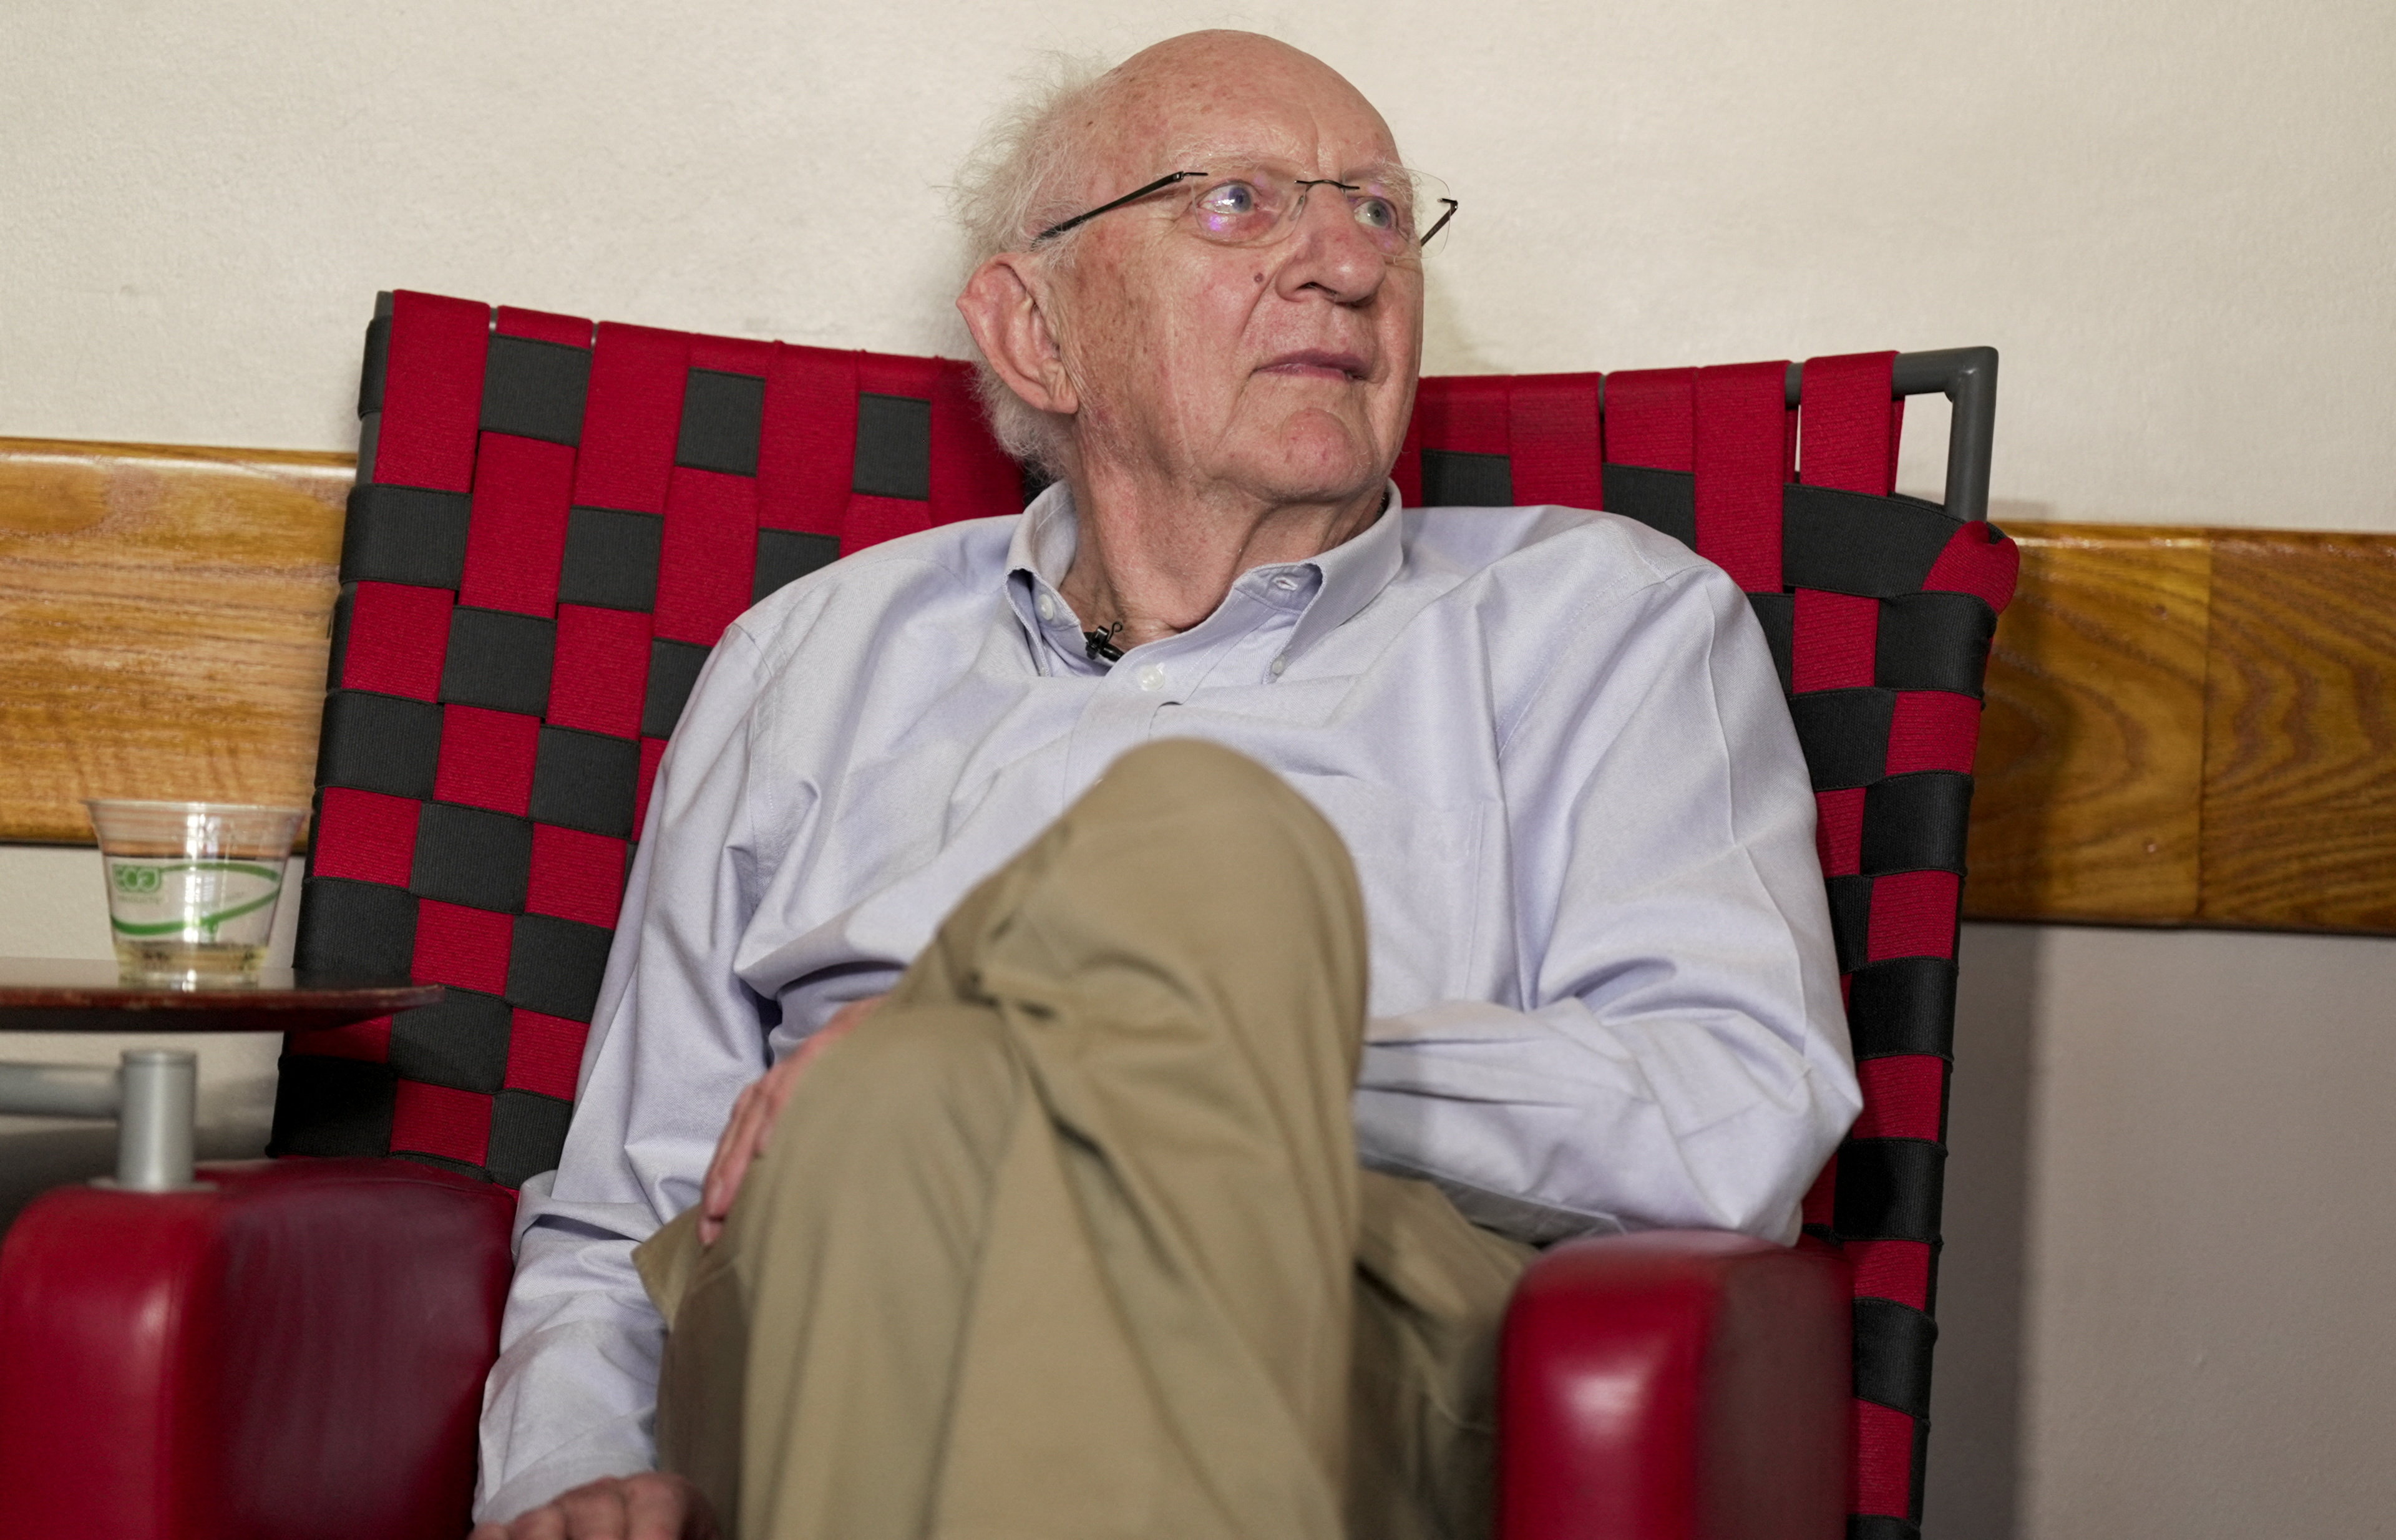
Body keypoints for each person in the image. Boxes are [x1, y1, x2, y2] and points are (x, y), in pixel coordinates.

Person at [470, 29, 1857, 1540]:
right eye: (1236, 204)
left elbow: (1737, 1109)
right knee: (908, 1114)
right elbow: (628, 1191)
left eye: (1380, 211)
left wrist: (1151, 1047)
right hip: (819, 1290)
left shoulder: (1606, 623)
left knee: (1186, 860)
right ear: (1035, 332)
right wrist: (561, 1469)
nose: (1343, 261)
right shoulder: (809, 656)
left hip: (1345, 1314)